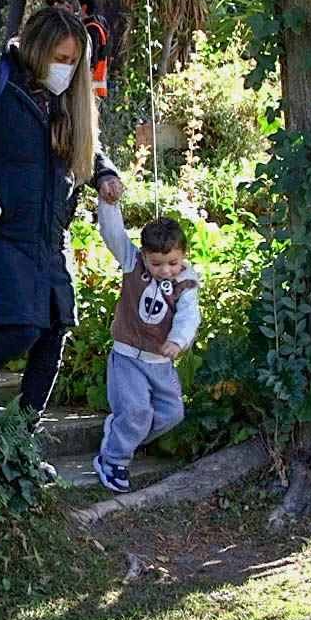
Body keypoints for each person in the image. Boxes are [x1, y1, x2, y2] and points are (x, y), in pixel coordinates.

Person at [0, 5, 121, 414]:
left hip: (50, 234)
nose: (66, 69)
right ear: (37, 50)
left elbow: (91, 146)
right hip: (0, 232)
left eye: (73, 62)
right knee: (23, 327)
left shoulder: (69, 99)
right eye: (60, 59)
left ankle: (24, 437)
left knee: (55, 332)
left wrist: (105, 173)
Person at [90, 201, 199, 492]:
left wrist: (177, 341)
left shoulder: (186, 283)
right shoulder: (132, 263)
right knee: (136, 412)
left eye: (173, 263)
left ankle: (120, 434)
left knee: (173, 412)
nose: (165, 270)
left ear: (183, 256)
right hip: (128, 359)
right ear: (144, 256)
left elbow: (189, 315)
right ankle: (113, 459)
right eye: (157, 264)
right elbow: (113, 234)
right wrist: (109, 205)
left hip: (161, 363)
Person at [71, 0, 110, 100]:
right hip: (95, 87)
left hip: (88, 87)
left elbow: (91, 61)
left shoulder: (91, 29)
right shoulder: (99, 25)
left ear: (83, 8)